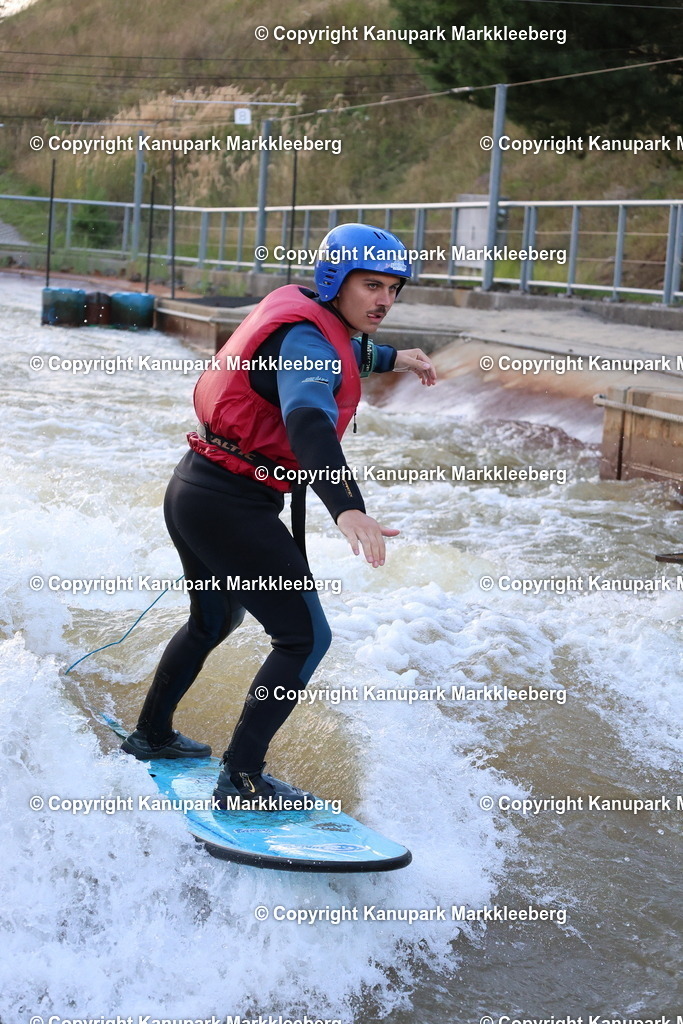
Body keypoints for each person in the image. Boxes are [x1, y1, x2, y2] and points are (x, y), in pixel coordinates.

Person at [121, 222, 437, 807]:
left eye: (394, 288)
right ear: (336, 281)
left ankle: (152, 735)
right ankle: (241, 778)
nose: (385, 300)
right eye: (372, 285)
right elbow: (309, 419)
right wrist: (347, 508)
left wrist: (399, 357)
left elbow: (350, 350)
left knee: (213, 623)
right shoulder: (307, 343)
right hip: (229, 506)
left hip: (196, 488)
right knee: (304, 638)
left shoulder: (312, 321)